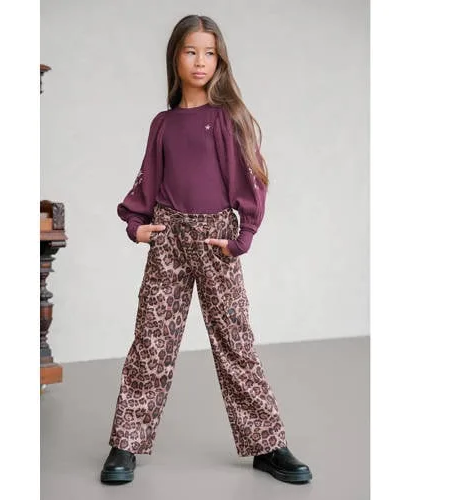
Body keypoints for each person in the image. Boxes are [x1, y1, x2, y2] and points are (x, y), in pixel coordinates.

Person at [100, 14, 312, 486]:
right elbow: (146, 181)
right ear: (175, 57)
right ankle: (125, 443)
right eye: (191, 51)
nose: (201, 61)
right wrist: (135, 226)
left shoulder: (226, 119)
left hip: (217, 242)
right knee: (151, 341)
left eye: (210, 53)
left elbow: (253, 180)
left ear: (219, 60)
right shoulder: (162, 124)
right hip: (169, 239)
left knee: (235, 342)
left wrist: (242, 237)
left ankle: (267, 445)